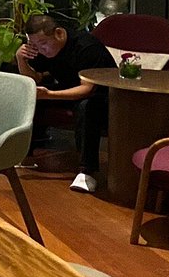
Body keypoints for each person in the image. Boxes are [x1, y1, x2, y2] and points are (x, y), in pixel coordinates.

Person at [14, 13, 115, 193]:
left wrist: (50, 95)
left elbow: (87, 89)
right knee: (30, 95)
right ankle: (24, 153)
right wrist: (20, 58)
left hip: (103, 97)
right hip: (69, 88)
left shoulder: (86, 47)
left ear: (59, 33)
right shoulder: (44, 49)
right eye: (35, 45)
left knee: (87, 107)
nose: (41, 49)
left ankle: (87, 172)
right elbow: (34, 79)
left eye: (43, 44)